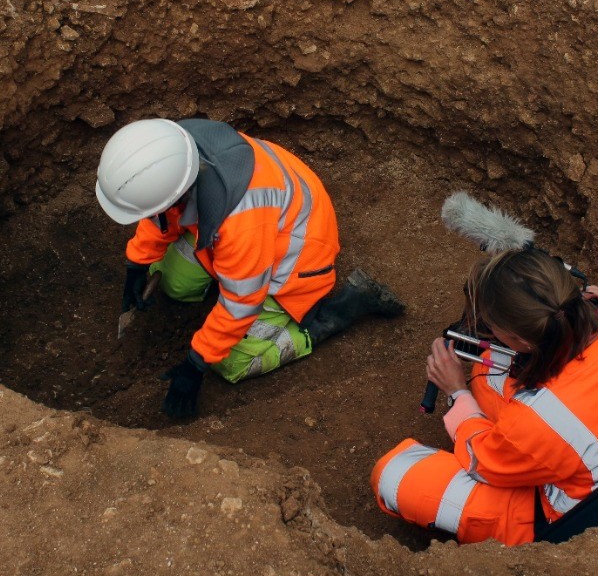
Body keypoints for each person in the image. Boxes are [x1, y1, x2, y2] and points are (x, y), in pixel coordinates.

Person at [370, 247, 598, 545]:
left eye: (497, 332)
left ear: (524, 341)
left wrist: (457, 392)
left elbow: (483, 461)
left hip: (580, 519)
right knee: (487, 374)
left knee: (394, 473)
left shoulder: (539, 419)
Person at [96, 118, 405, 419]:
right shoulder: (172, 151)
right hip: (257, 227)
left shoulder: (242, 223)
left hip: (292, 263)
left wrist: (195, 364)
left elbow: (241, 304)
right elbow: (162, 210)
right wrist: (138, 262)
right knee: (175, 285)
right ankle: (222, 278)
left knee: (231, 364)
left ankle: (338, 312)